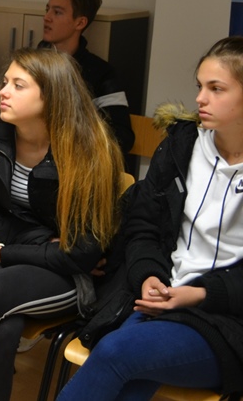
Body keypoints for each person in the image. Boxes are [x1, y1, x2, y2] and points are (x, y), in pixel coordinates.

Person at [0, 47, 122, 401]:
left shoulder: (89, 151)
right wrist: (39, 242)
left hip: (63, 271)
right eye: (5, 82)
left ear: (52, 97)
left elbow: (80, 254)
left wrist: (4, 251)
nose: (3, 92)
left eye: (18, 85)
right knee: (2, 326)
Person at [57, 37, 243, 401]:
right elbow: (142, 224)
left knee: (115, 354)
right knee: (125, 378)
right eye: (199, 86)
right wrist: (149, 276)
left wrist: (198, 293)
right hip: (164, 298)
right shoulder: (182, 145)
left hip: (226, 318)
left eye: (216, 89)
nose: (200, 99)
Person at [39, 0, 135, 158]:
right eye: (47, 10)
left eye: (57, 12)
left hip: (71, 161)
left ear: (80, 22)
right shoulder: (29, 64)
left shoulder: (101, 73)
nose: (47, 17)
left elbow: (122, 137)